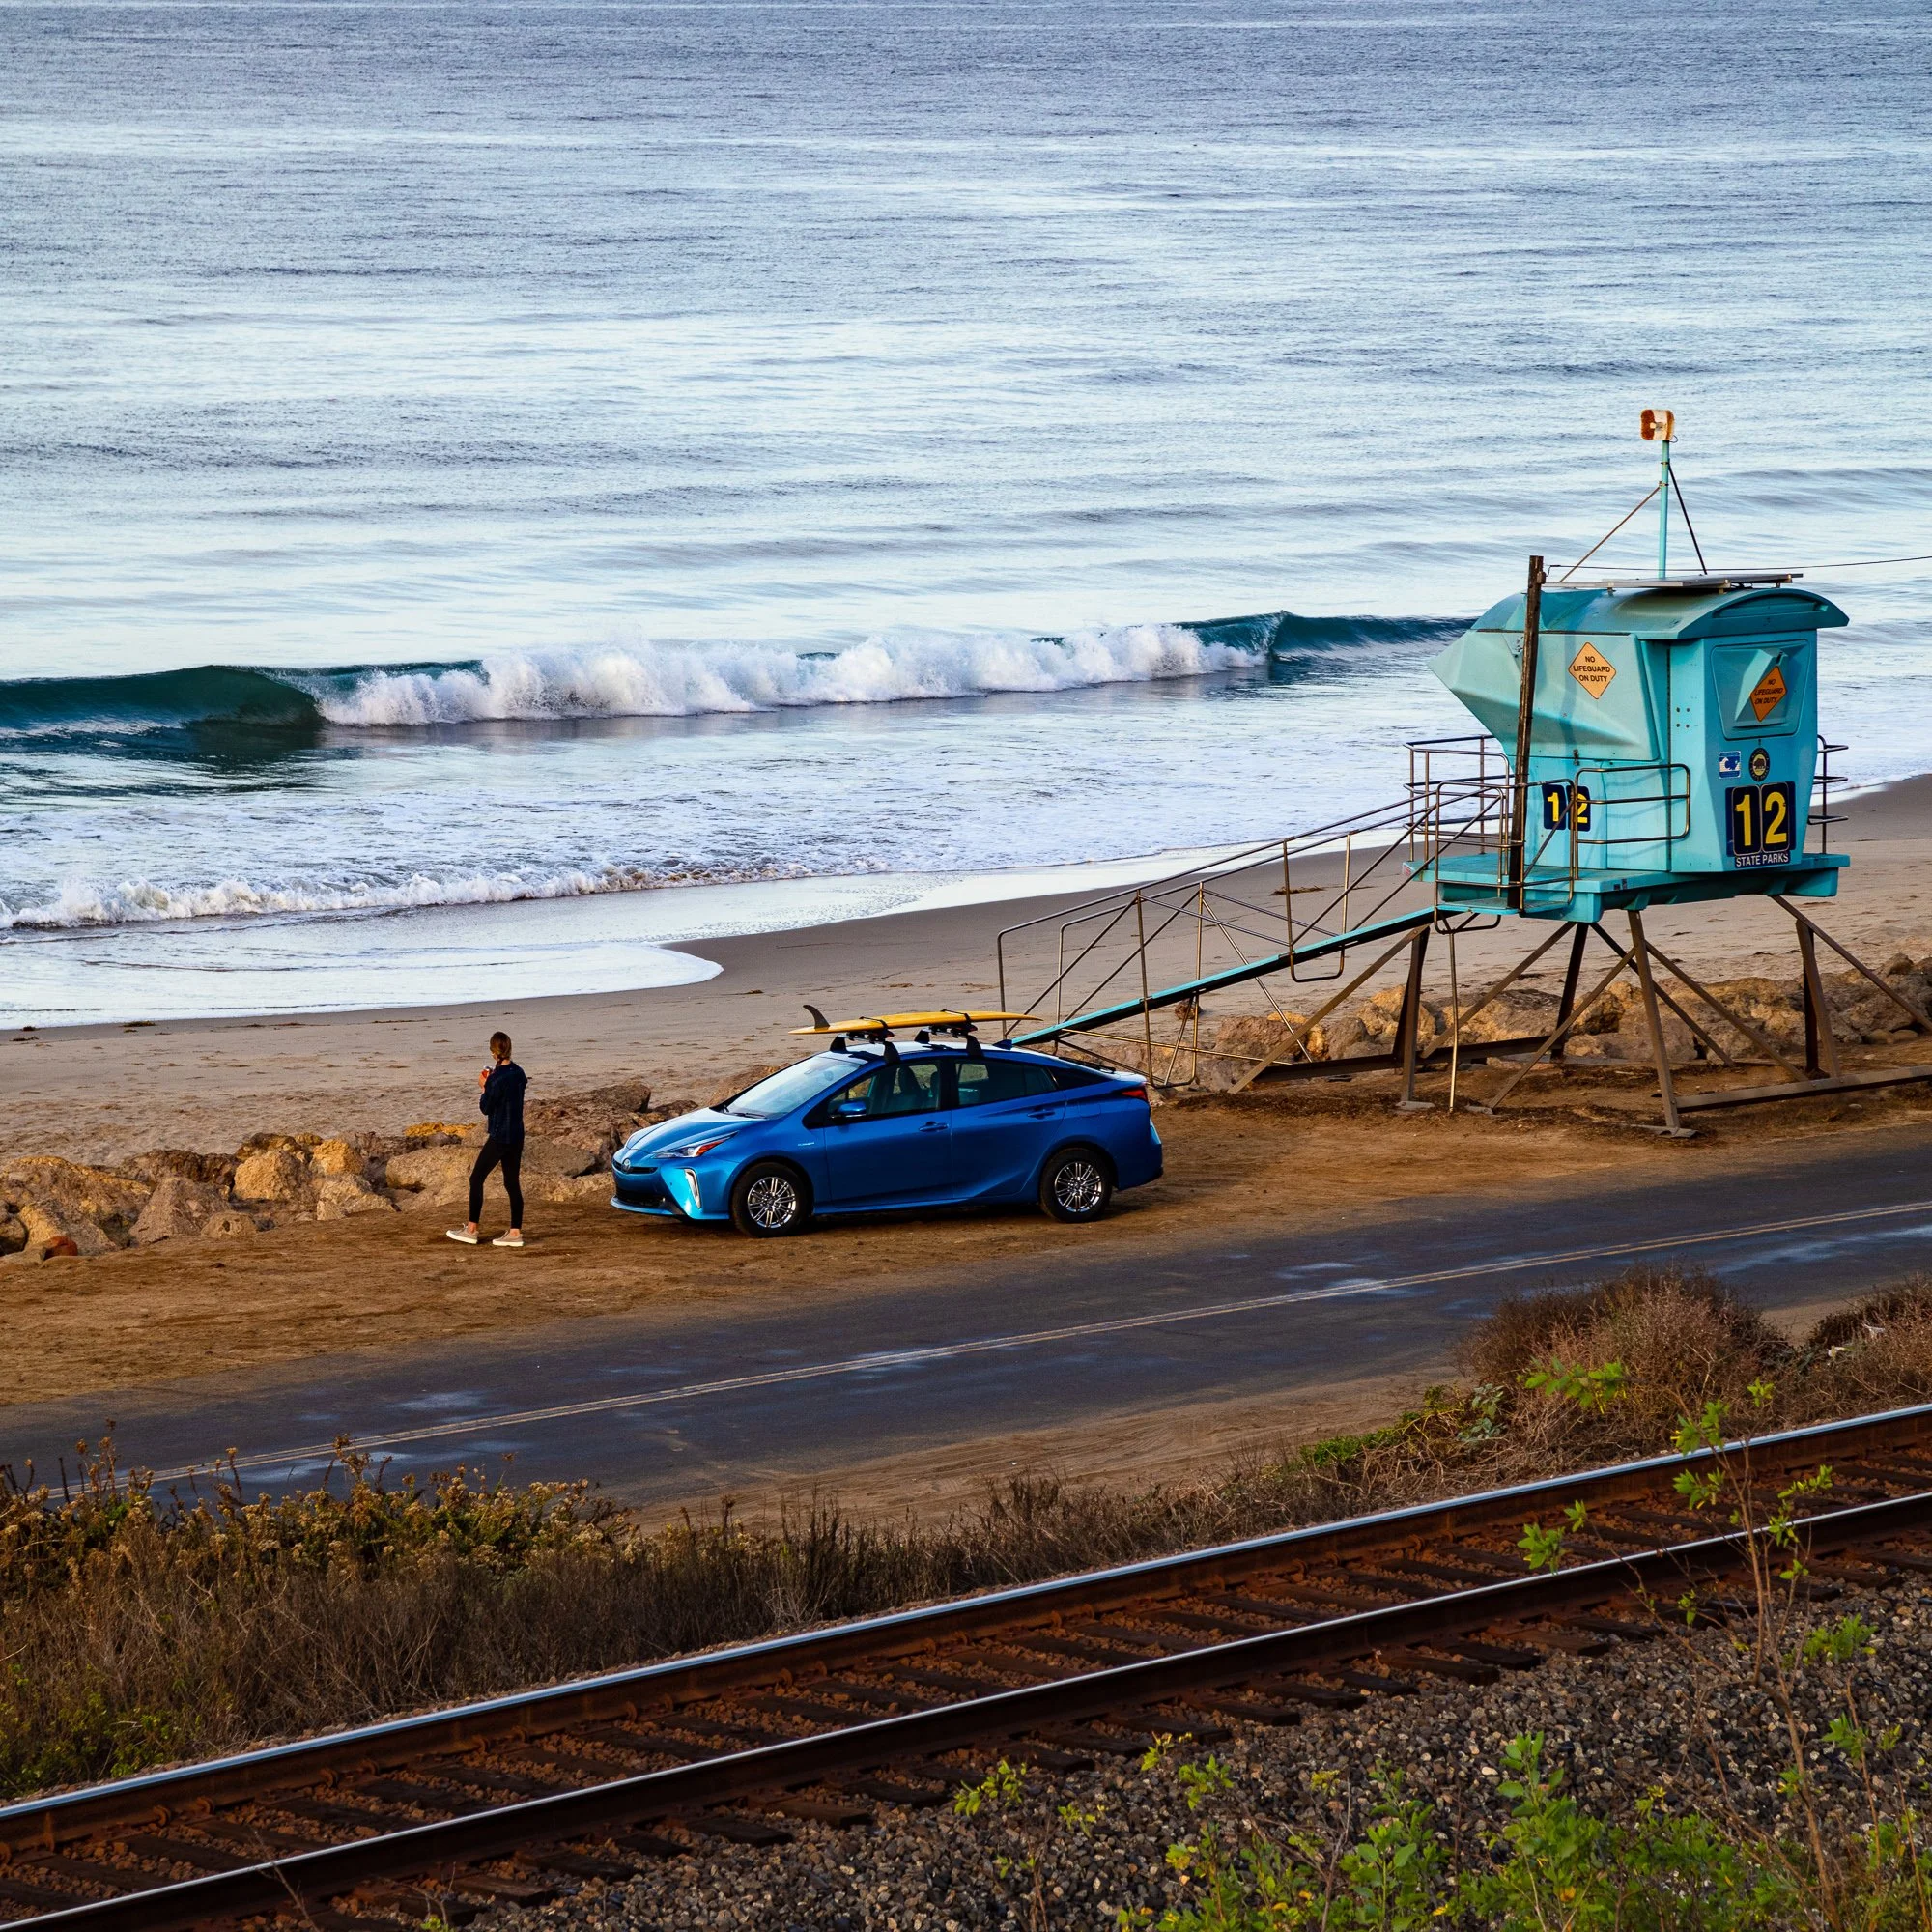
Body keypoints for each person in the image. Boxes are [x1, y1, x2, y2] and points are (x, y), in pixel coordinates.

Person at [447, 1032, 526, 1248]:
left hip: (500, 1135)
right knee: (511, 1183)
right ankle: (515, 1232)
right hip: (516, 1134)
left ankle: (471, 1229)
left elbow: (485, 1107)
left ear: (493, 1053)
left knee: (476, 1178)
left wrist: (484, 1086)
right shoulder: (519, 1073)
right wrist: (490, 1082)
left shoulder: (496, 1078)